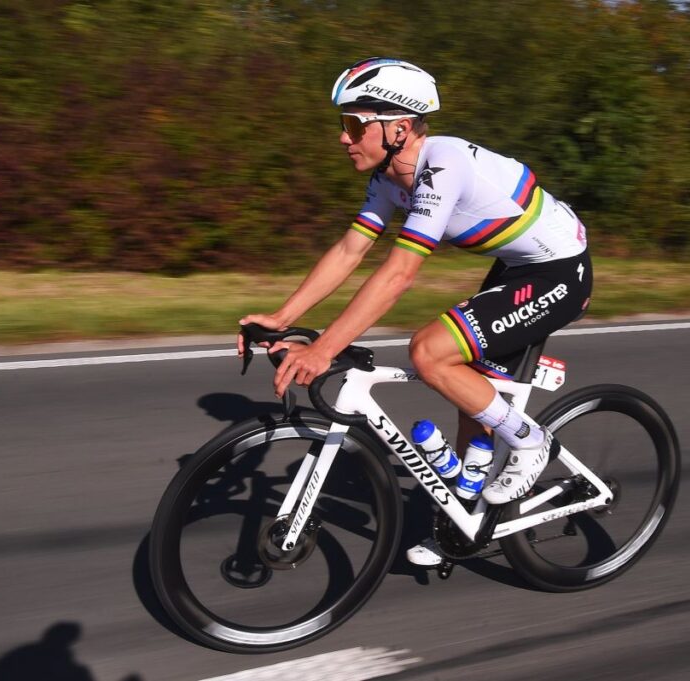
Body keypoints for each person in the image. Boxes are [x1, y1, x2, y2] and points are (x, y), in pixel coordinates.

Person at [237, 57, 592, 567]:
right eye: (344, 123)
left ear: (399, 128)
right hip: (517, 266)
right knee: (462, 377)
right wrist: (281, 314)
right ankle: (464, 522)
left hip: (560, 271)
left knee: (429, 352)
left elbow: (400, 274)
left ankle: (531, 442)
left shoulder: (443, 166)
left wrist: (325, 349)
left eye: (355, 124)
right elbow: (349, 252)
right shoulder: (389, 177)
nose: (343, 137)